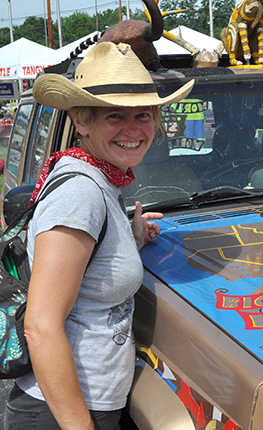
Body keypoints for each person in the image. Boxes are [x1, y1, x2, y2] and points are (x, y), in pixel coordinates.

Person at [4, 42, 194, 430]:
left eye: (143, 114)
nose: (133, 129)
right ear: (81, 120)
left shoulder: (97, 177)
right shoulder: (81, 194)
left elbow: (85, 264)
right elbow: (41, 328)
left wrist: (128, 238)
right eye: (114, 116)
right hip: (63, 412)